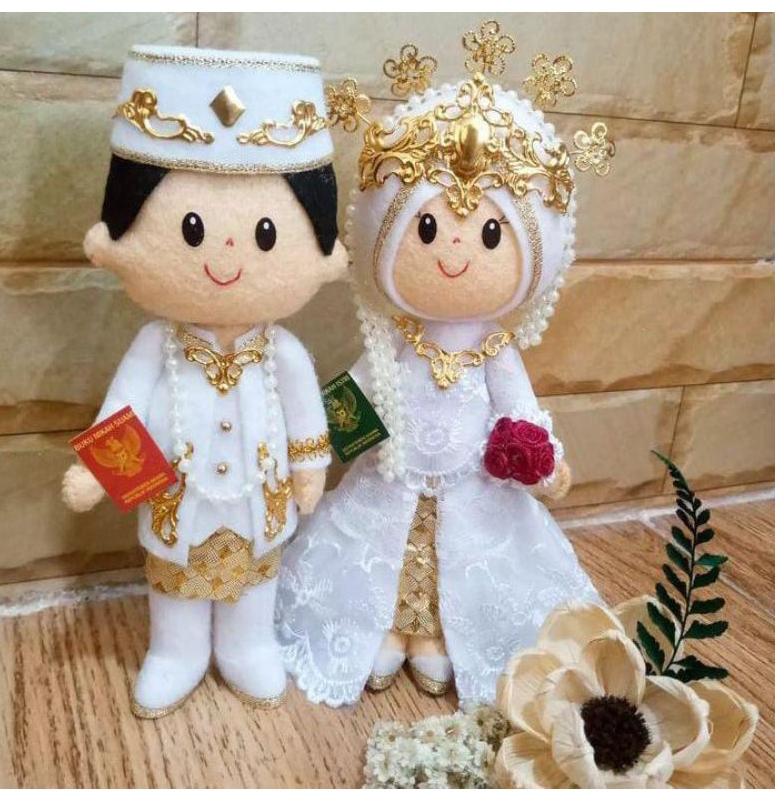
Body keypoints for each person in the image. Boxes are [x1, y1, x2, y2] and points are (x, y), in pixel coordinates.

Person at [277, 29, 607, 707]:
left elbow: (518, 406)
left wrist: (539, 456)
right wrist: (314, 450)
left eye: (489, 234)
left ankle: (433, 638)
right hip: (388, 476)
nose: (455, 253)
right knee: (385, 555)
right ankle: (386, 629)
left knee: (456, 558)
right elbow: (358, 392)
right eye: (426, 229)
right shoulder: (395, 344)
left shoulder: (494, 351)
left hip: (474, 485)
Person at [62, 46, 346, 717]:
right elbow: (124, 406)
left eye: (265, 234)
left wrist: (310, 470)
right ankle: (176, 651)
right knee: (174, 579)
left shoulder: (283, 353)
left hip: (258, 503)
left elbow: (307, 416)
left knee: (256, 580)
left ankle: (247, 645)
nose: (226, 255)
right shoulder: (155, 345)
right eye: (191, 230)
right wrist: (99, 473)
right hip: (176, 498)